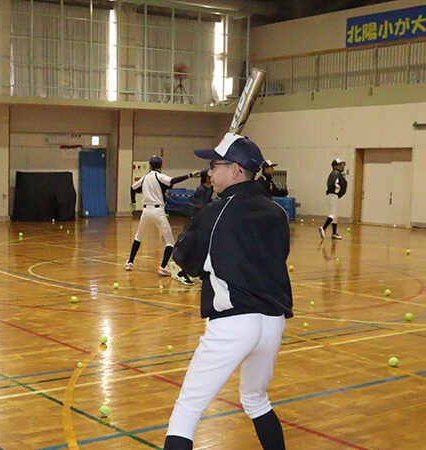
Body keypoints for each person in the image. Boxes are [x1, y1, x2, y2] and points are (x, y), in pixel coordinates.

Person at [166, 133, 292, 450]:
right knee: (255, 398)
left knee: (187, 409)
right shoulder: (277, 212)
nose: (209, 171)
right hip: (272, 323)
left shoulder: (214, 213)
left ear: (236, 170)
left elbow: (187, 262)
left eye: (215, 165)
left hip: (233, 323)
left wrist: (197, 222)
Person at [125, 155, 198, 286]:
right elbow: (173, 181)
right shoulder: (159, 176)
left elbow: (132, 188)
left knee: (138, 237)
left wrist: (133, 203)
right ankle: (163, 267)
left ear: (150, 165)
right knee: (170, 242)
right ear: (161, 166)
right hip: (158, 211)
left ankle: (130, 262)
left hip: (146, 211)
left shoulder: (145, 177)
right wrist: (190, 175)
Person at [320, 158, 347, 240]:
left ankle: (334, 233)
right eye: (340, 165)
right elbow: (336, 185)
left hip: (334, 195)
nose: (342, 166)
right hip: (332, 195)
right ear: (335, 166)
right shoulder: (335, 173)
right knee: (333, 214)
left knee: (335, 215)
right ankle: (323, 228)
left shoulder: (337, 174)